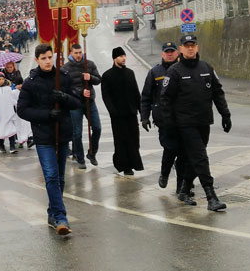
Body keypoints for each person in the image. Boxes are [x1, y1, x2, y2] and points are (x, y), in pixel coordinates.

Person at [160, 34, 231, 211]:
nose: (190, 48)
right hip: (184, 123)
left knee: (194, 158)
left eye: (193, 45)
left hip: (203, 121)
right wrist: (169, 126)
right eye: (186, 45)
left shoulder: (206, 68)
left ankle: (184, 190)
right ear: (181, 50)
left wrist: (225, 114)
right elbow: (166, 100)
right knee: (200, 157)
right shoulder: (174, 71)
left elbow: (217, 92)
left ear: (197, 48)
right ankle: (211, 196)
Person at [17, 44, 81, 235]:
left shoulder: (63, 77)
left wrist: (64, 98)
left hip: (62, 133)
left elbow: (77, 102)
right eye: (43, 58)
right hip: (44, 136)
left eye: (49, 57)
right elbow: (22, 110)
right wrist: (46, 114)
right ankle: (61, 217)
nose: (47, 61)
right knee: (51, 176)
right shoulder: (31, 82)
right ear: (37, 60)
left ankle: (52, 213)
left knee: (60, 178)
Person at [141, 41, 186, 192]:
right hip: (164, 120)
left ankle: (182, 187)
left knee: (183, 152)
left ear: (177, 53)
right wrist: (145, 117)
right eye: (167, 52)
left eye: (172, 51)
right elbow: (146, 96)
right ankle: (165, 173)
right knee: (170, 148)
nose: (169, 54)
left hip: (182, 118)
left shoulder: (183, 70)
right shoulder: (155, 72)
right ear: (162, 54)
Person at [101, 47, 143, 176]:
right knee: (121, 141)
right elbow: (106, 96)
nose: (123, 58)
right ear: (115, 58)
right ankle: (124, 166)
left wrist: (142, 111)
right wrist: (113, 111)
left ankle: (134, 164)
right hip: (118, 116)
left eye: (124, 56)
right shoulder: (107, 76)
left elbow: (136, 93)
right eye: (120, 56)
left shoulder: (130, 73)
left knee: (134, 140)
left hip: (131, 113)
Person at [63, 43, 102, 169]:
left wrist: (90, 77)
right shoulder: (66, 68)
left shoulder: (89, 64)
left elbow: (98, 80)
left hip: (89, 102)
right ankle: (80, 158)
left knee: (97, 128)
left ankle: (92, 153)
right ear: (71, 53)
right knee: (77, 133)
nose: (78, 55)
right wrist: (80, 92)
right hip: (75, 103)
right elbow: (66, 88)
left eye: (80, 53)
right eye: (76, 53)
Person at [0, 72, 18, 153]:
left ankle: (12, 146)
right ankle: (1, 146)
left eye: (2, 79)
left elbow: (12, 99)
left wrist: (14, 108)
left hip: (8, 112)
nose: (1, 81)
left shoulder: (8, 89)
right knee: (0, 130)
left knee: (11, 129)